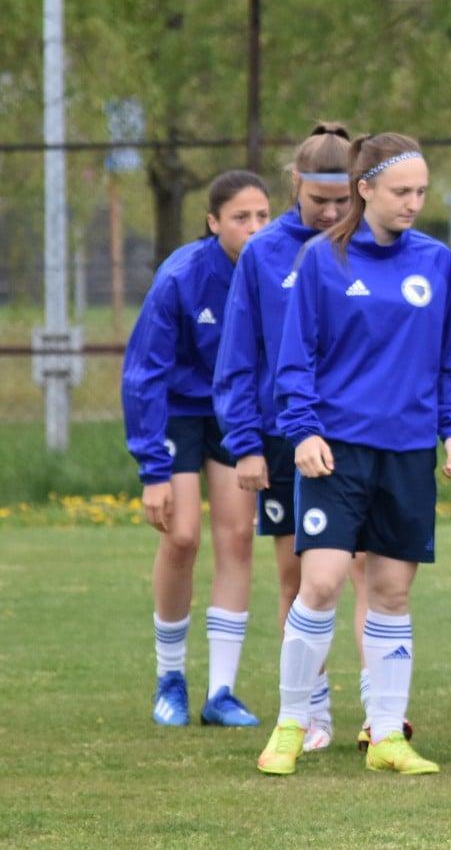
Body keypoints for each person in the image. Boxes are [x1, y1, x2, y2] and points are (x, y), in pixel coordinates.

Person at [255, 134, 451, 776]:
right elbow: (296, 360)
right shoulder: (322, 261)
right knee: (319, 582)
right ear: (364, 188)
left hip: (406, 453)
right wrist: (305, 431)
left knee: (391, 594)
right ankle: (293, 722)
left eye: (421, 192)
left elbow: (447, 361)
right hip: (336, 451)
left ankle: (386, 737)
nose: (413, 203)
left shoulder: (435, 262)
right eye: (401, 191)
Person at [216, 123, 386, 751]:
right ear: (297, 186)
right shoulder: (264, 254)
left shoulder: (372, 246)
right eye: (322, 201)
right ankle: (311, 711)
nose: (335, 212)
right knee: (298, 576)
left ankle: (380, 713)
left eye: (345, 200)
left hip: (360, 434)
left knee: (369, 568)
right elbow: (239, 355)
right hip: (286, 438)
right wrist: (247, 442)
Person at [125, 169, 271, 729]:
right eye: (241, 218)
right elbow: (144, 374)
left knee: (236, 538)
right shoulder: (182, 276)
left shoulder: (276, 270)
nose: (254, 228)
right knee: (182, 535)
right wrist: (152, 469)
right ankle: (170, 679)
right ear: (214, 224)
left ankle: (222, 692)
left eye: (262, 216)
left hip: (237, 413)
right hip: (181, 412)